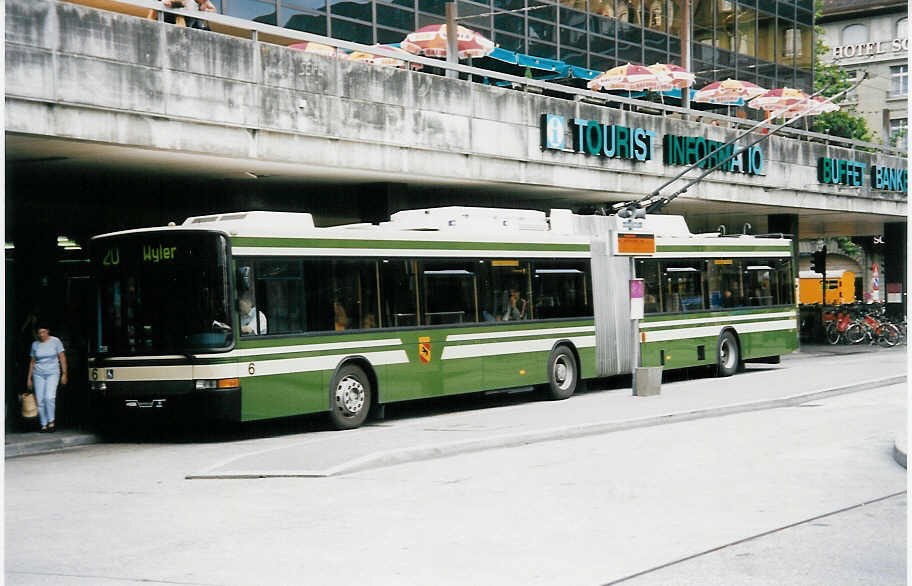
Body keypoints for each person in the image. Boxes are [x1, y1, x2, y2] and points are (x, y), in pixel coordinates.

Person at [27, 325, 67, 433]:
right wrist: (29, 378)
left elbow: (62, 357)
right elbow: (32, 362)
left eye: (43, 332)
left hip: (53, 373)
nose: (42, 335)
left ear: (48, 331)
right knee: (40, 399)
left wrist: (64, 374)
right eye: (39, 333)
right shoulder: (35, 344)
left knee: (49, 397)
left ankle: (51, 422)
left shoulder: (55, 341)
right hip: (38, 374)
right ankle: (43, 424)